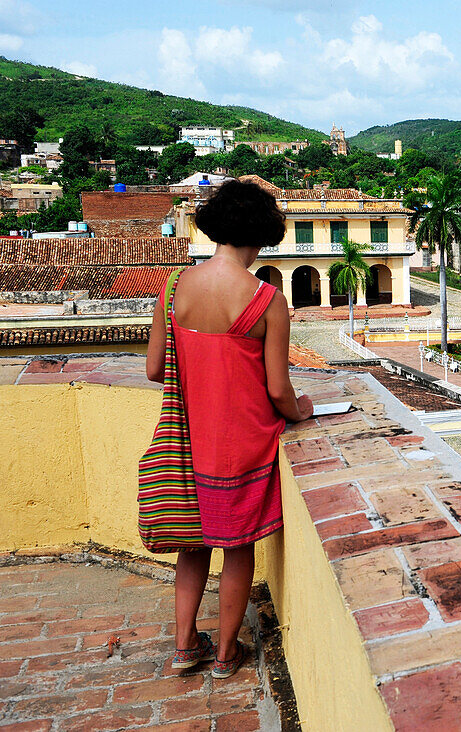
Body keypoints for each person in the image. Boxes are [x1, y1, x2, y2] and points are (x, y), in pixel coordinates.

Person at [146, 180, 313, 679]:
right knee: (238, 551)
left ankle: (183, 648)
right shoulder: (266, 300)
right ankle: (224, 655)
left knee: (191, 546)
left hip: (187, 442)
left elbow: (155, 369)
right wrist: (301, 410)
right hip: (244, 446)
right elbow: (279, 389)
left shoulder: (174, 288)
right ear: (262, 235)